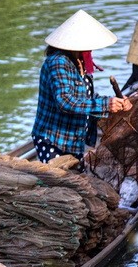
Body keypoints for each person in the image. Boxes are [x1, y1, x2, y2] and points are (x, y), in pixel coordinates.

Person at [32, 9, 132, 170]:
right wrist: (106, 104)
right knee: (60, 187)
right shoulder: (58, 62)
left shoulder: (80, 60)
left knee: (77, 183)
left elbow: (86, 97)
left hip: (74, 140)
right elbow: (65, 101)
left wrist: (115, 104)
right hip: (54, 140)